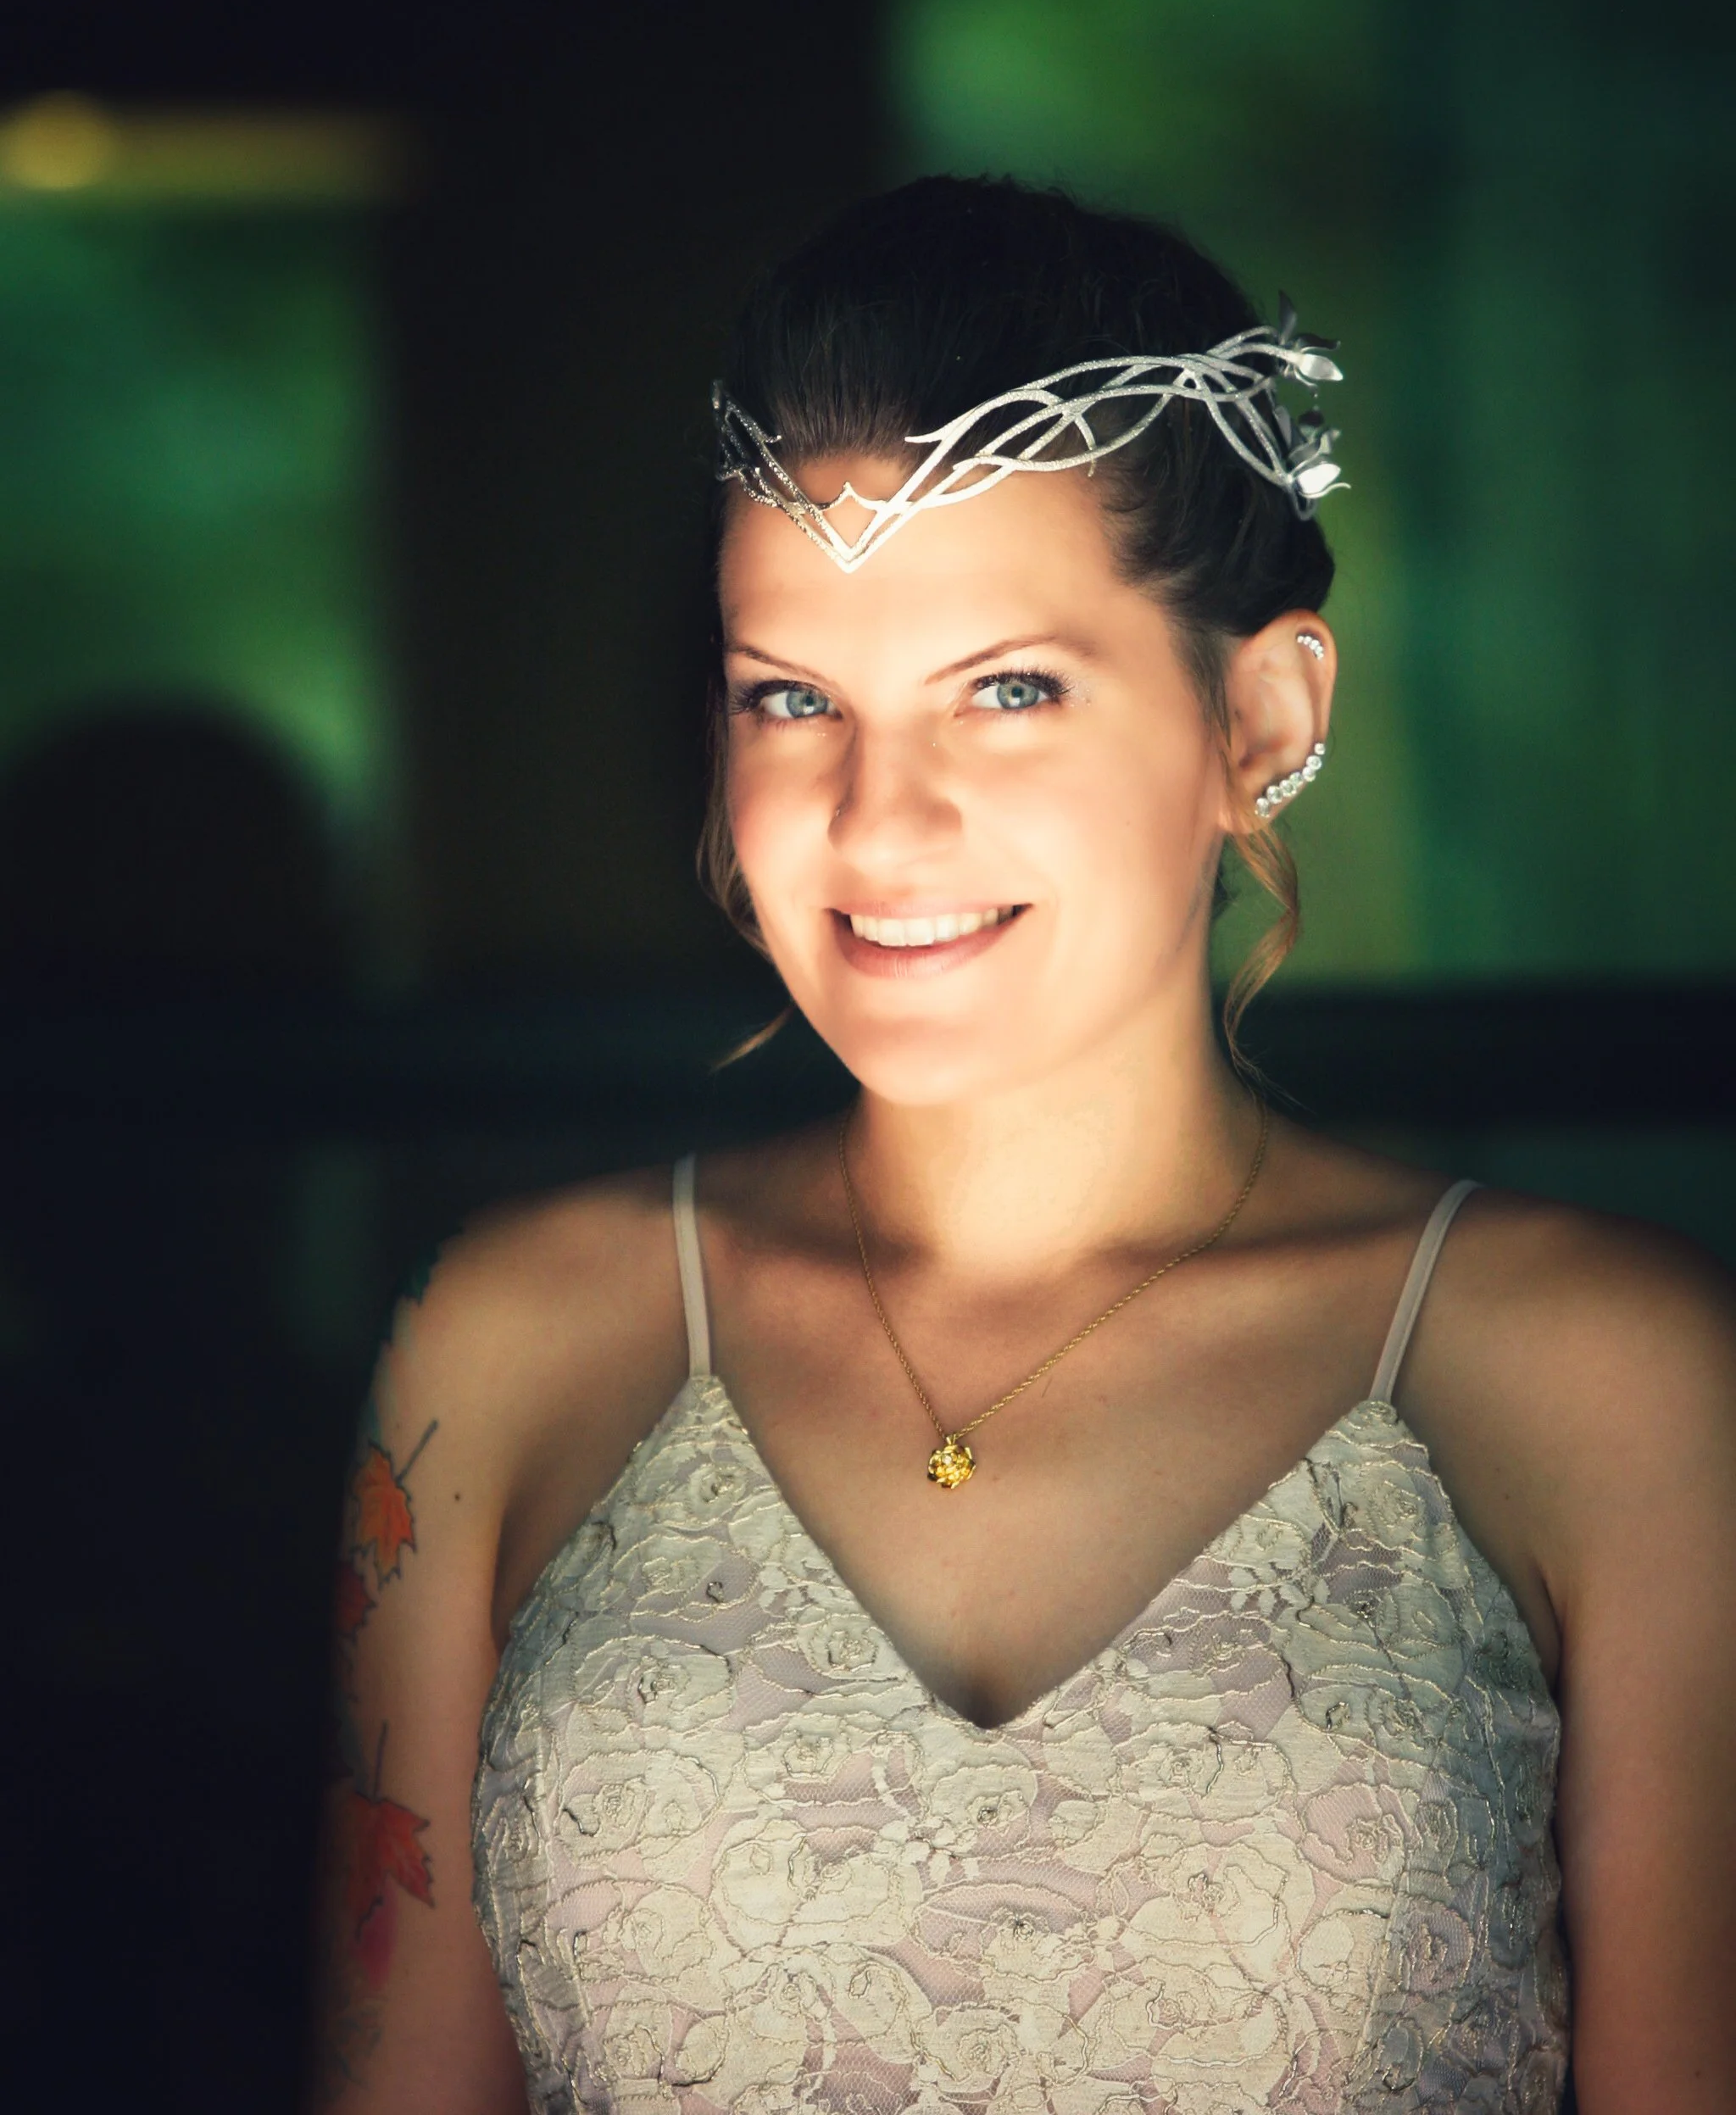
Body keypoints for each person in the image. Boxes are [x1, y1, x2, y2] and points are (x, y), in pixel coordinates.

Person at [311, 178, 1736, 2113]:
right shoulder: (504, 1348)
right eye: (791, 699)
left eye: (1007, 690)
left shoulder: (1606, 1378)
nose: (878, 824)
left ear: (1257, 712)